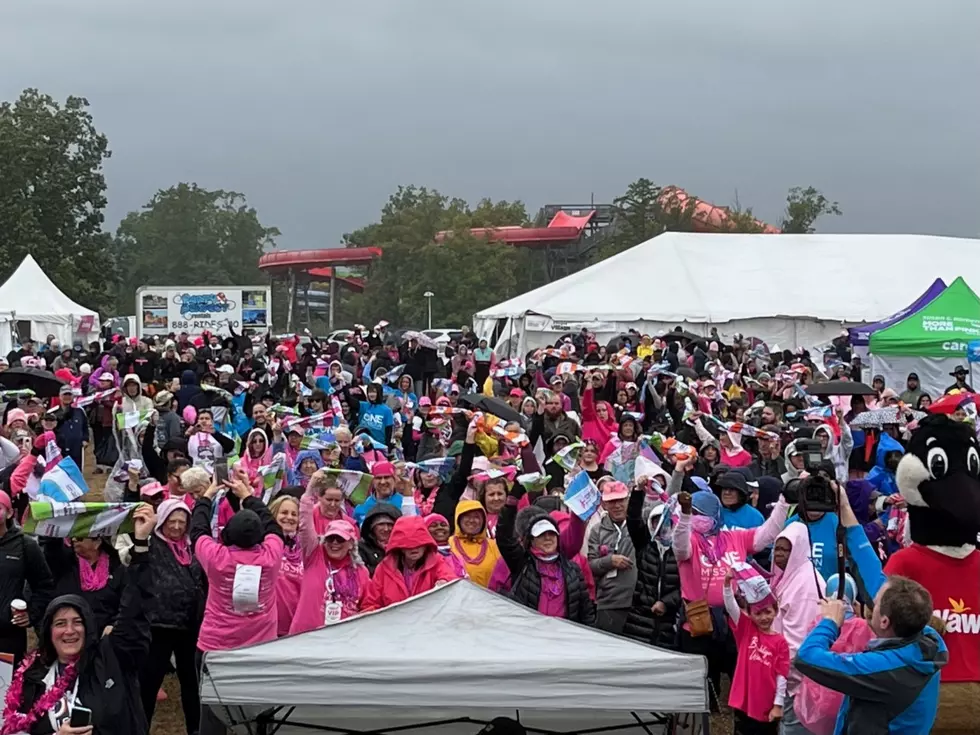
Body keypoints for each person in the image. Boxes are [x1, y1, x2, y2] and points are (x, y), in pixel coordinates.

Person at [0, 504, 154, 735]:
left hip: (104, 645)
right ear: (48, 631)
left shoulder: (112, 662)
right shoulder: (31, 676)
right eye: (60, 623)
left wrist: (141, 544)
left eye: (77, 622)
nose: (69, 630)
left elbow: (134, 610)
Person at [794, 575, 946, 734]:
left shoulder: (883, 669)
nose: (871, 604)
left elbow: (806, 656)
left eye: (876, 603)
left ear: (885, 622)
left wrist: (830, 621)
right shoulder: (930, 642)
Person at [138, 498, 202, 735]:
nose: (176, 527)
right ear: (161, 521)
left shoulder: (191, 546)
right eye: (171, 521)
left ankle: (195, 729)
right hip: (159, 625)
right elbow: (136, 557)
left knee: (191, 683)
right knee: (150, 682)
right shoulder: (152, 544)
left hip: (189, 625)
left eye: (181, 522)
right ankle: (141, 727)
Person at [722, 566, 789, 735]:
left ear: (775, 610)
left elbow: (782, 675)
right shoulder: (747, 629)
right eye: (758, 613)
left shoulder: (780, 642)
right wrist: (727, 583)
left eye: (768, 612)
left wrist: (778, 705)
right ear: (750, 614)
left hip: (766, 705)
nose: (763, 617)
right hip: (744, 703)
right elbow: (731, 607)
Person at [0, 489, 54, 667]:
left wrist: (31, 614)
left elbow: (44, 586)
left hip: (7, 638)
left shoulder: (25, 545)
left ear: (9, 513)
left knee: (4, 693)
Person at [361, 516, 456, 610]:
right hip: (394, 623)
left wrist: (445, 582)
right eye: (407, 545)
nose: (414, 548)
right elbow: (370, 604)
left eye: (418, 544)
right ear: (399, 547)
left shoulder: (437, 562)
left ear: (426, 544)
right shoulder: (384, 569)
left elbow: (452, 581)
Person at [588, 480, 636, 634]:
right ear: (604, 504)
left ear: (628, 500)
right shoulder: (597, 530)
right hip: (609, 602)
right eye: (612, 501)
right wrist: (609, 561)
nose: (617, 506)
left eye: (621, 500)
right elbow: (591, 566)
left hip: (638, 601)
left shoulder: (639, 524)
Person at [449, 499, 501, 587]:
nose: (472, 520)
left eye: (476, 517)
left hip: (490, 598)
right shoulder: (448, 545)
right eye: (467, 516)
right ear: (458, 519)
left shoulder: (494, 546)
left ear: (483, 521)